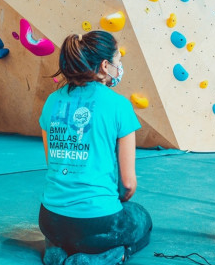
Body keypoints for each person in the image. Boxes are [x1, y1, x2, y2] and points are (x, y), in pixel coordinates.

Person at [38, 31, 152, 264]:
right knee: (142, 220)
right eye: (118, 61)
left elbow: (54, 163)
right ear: (104, 66)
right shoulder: (119, 105)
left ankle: (57, 250)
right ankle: (108, 256)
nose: (120, 67)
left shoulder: (51, 102)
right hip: (97, 222)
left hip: (50, 221)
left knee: (70, 231)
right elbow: (128, 185)